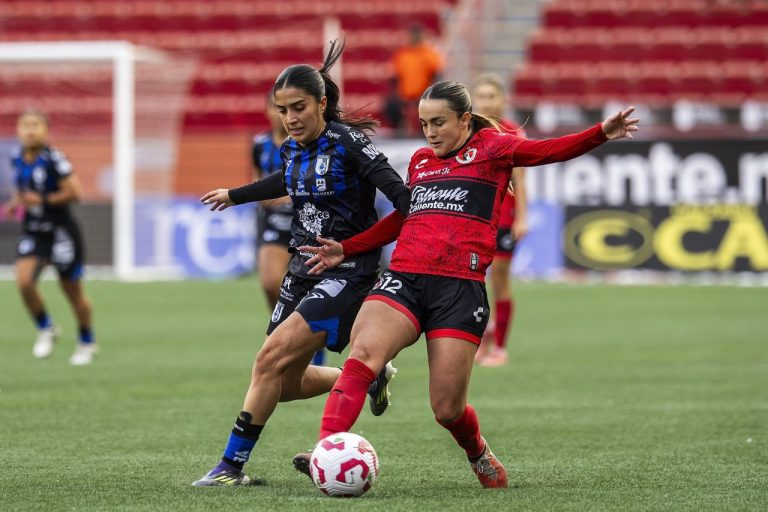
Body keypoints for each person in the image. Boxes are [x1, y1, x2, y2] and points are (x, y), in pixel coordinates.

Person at [292, 81, 638, 488]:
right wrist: (346, 249)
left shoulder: (494, 148)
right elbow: (404, 218)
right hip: (404, 277)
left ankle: (477, 450)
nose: (430, 132)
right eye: (424, 124)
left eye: (439, 122)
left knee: (446, 409)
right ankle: (326, 451)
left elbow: (547, 151)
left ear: (465, 119)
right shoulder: (421, 161)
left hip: (459, 289)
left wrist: (601, 132)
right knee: (363, 354)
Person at [192, 40, 411, 487]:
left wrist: (352, 249)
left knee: (268, 360)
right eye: (282, 110)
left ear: (322, 103)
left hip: (347, 274)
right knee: (280, 380)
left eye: (299, 107)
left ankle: (230, 468)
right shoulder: (292, 147)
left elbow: (404, 201)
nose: (290, 118)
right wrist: (236, 194)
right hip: (301, 270)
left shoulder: (350, 143)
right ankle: (366, 377)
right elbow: (287, 178)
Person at [2, 109, 97, 365]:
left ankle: (87, 341)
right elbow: (23, 190)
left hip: (61, 231)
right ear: (18, 130)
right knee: (23, 282)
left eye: (36, 125)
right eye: (25, 125)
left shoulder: (55, 159)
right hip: (34, 229)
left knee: (72, 291)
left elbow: (75, 193)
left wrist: (41, 199)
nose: (30, 130)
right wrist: (15, 203)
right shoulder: (16, 157)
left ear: (46, 130)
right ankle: (47, 328)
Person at [252, 93, 325, 366]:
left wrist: (286, 196)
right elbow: (256, 180)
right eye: (276, 107)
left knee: (306, 287)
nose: (281, 114)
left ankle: (309, 342)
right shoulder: (259, 145)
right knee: (271, 282)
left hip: (306, 221)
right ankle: (288, 333)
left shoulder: (308, 144)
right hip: (273, 221)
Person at [471, 73, 528, 367]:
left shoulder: (512, 134)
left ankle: (500, 348)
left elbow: (521, 181)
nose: (486, 102)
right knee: (472, 283)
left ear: (503, 100)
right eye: (481, 96)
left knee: (500, 282)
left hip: (503, 218)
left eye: (491, 96)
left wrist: (522, 217)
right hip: (474, 218)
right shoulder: (467, 131)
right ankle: (483, 338)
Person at [384, 24, 443, 135]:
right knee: (390, 106)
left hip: (424, 94)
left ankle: (425, 132)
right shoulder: (402, 54)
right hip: (404, 95)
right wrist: (397, 94)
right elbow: (395, 78)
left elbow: (436, 75)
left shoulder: (430, 54)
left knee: (431, 107)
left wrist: (428, 93)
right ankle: (398, 130)